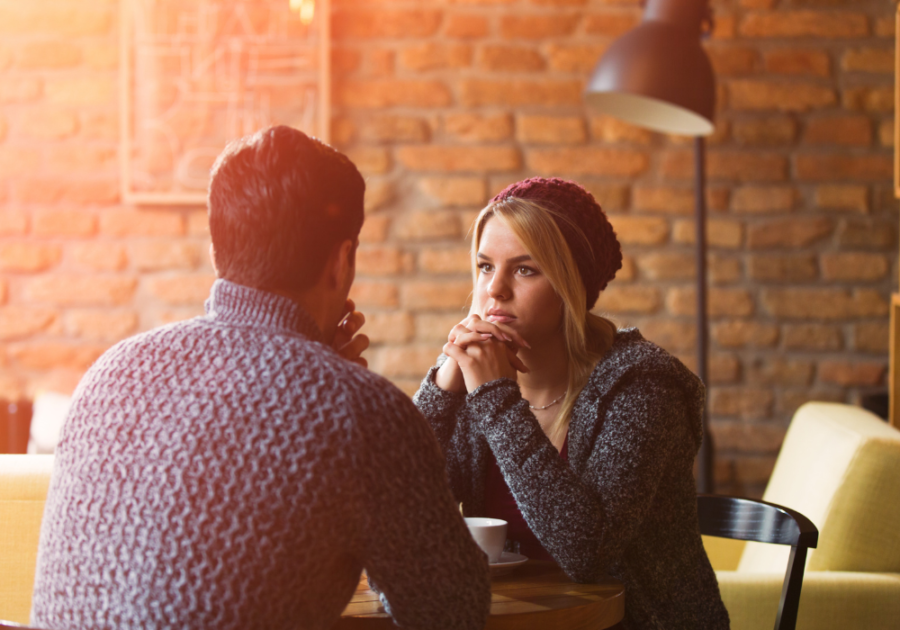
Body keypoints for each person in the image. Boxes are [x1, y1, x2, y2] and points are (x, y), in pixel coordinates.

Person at [30, 126, 491, 630]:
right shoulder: (358, 412)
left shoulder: (109, 371)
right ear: (342, 261)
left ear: (217, 252)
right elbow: (453, 612)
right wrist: (336, 390)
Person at [413, 177, 730, 629]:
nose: (494, 290)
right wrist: (444, 387)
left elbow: (587, 552)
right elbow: (394, 500)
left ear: (572, 284)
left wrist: (494, 399)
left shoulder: (644, 386)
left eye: (525, 269)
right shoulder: (476, 381)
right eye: (485, 267)